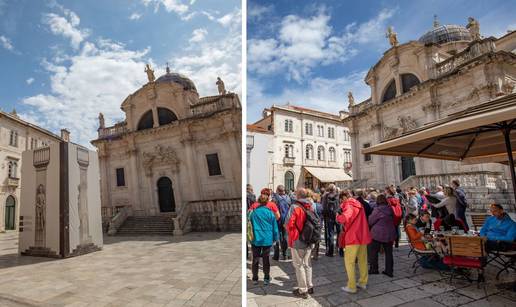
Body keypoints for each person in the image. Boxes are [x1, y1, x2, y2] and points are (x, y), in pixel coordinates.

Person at [337, 190, 372, 293]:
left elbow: (344, 217)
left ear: (344, 197)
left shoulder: (348, 204)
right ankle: (362, 282)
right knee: (362, 260)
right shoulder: (359, 204)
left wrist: (338, 217)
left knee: (349, 262)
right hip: (363, 235)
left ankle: (352, 286)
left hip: (353, 237)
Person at [286, 188, 315, 299]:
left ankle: (303, 290)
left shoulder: (294, 207)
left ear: (298, 196)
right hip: (309, 239)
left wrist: (290, 235)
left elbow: (288, 223)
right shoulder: (311, 205)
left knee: (299, 265)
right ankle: (310, 286)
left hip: (298, 240)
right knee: (308, 264)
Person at [249, 194, 279, 286]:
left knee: (255, 259)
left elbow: (249, 226)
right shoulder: (270, 213)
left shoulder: (253, 213)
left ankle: (255, 278)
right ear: (267, 202)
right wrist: (275, 238)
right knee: (266, 259)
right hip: (267, 238)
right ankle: (266, 278)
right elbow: (275, 227)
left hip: (256, 238)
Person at [368, 194, 396, 277]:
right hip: (389, 233)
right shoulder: (390, 208)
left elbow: (370, 221)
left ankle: (374, 269)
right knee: (389, 253)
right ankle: (389, 271)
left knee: (373, 252)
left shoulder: (377, 210)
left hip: (377, 234)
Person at [321, 184, 342, 257]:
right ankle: (340, 249)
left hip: (329, 217)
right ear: (335, 189)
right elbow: (341, 206)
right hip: (338, 216)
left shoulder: (325, 196)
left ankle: (330, 252)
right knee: (339, 233)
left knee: (330, 234)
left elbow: (323, 207)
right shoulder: (338, 196)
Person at [272, 185, 291, 260]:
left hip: (277, 220)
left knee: (277, 237)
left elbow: (272, 209)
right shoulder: (288, 198)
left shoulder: (275, 199)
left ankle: (276, 255)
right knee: (285, 237)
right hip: (286, 220)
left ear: (278, 191)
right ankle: (285, 254)